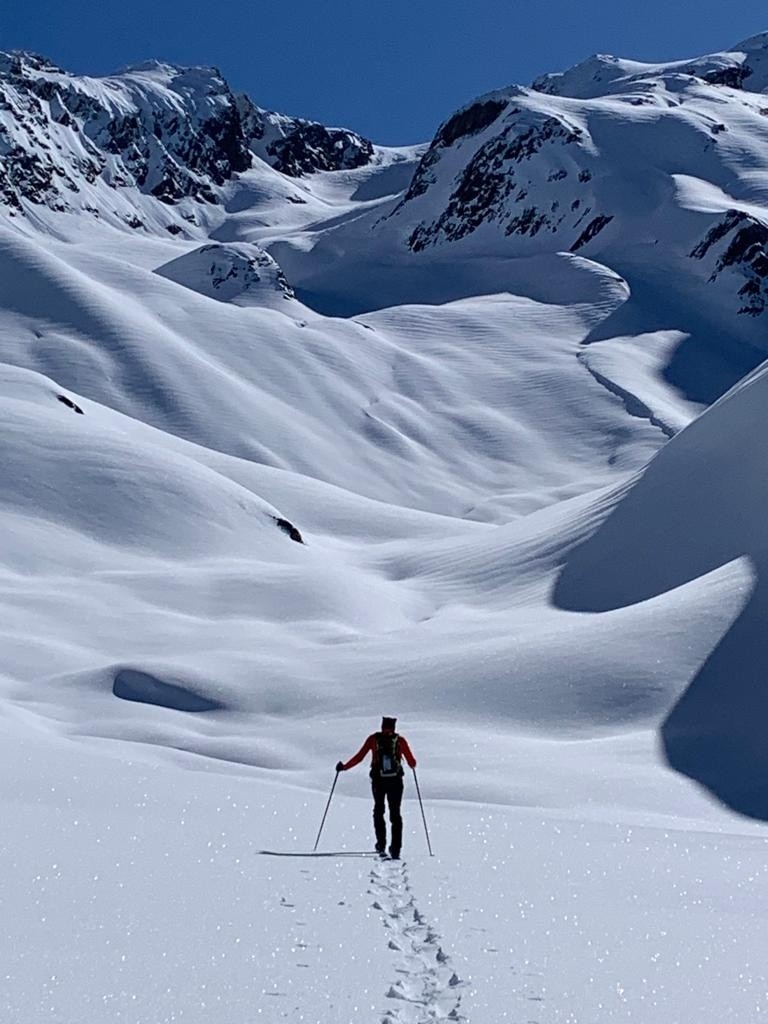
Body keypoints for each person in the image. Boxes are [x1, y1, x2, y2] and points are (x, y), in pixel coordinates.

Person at [336, 717, 416, 860]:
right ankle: (396, 848)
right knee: (395, 815)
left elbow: (359, 757)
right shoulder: (400, 741)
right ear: (394, 727)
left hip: (378, 782)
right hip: (396, 782)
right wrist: (410, 763)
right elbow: (412, 762)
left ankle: (381, 844)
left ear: (382, 726)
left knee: (379, 811)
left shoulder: (373, 739)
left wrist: (344, 767)